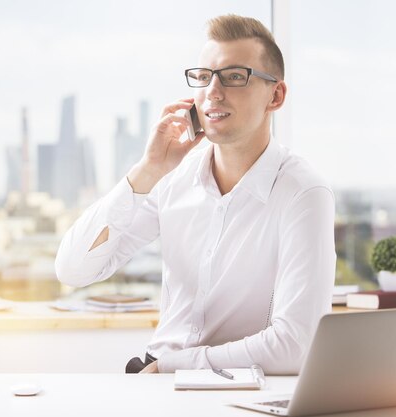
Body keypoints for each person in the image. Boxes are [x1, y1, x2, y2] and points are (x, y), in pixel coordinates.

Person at [55, 14, 336, 375]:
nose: (213, 92)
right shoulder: (172, 178)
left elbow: (296, 345)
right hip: (156, 379)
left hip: (239, 387)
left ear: (276, 95)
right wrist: (148, 170)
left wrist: (177, 365)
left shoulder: (303, 193)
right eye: (203, 77)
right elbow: (73, 270)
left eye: (235, 77)